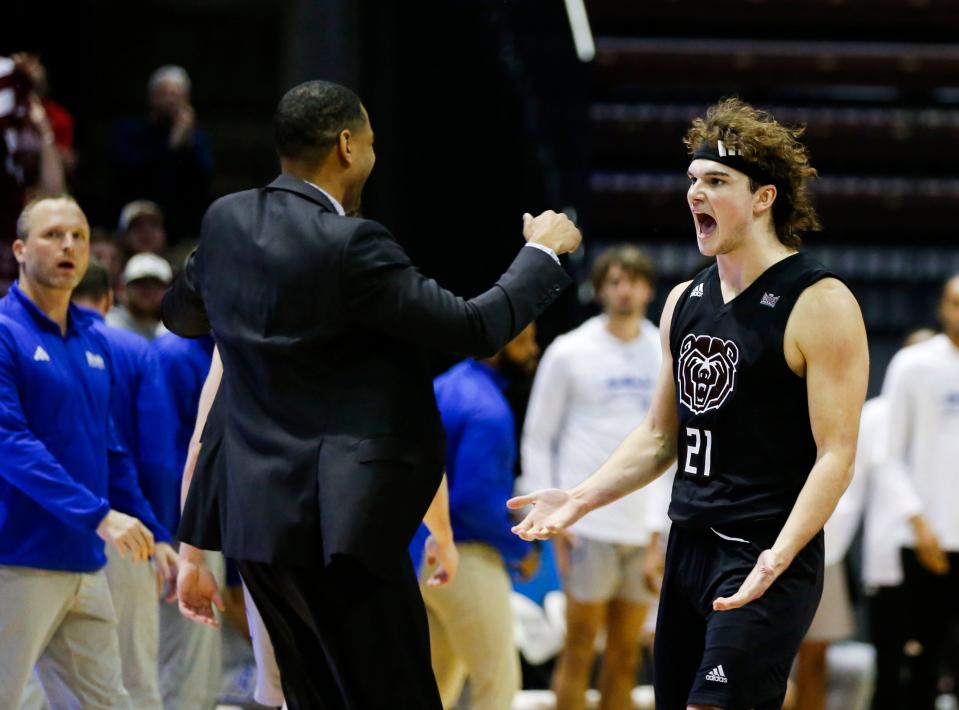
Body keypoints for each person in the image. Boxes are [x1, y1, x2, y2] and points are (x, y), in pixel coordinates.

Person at [160, 79, 579, 708]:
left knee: (314, 698)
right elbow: (475, 327)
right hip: (342, 527)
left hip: (257, 527)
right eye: (374, 143)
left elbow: (183, 316)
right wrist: (542, 253)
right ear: (348, 145)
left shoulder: (225, 222)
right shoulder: (354, 244)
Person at [510, 98, 868, 710]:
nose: (696, 194)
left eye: (717, 182)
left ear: (764, 198)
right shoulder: (683, 300)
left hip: (763, 548)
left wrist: (777, 557)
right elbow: (658, 436)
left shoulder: (820, 302)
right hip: (688, 545)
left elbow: (837, 455)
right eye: (693, 182)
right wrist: (579, 496)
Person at [0, 195, 175, 706]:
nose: (69, 246)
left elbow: (111, 450)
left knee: (109, 703)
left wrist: (154, 531)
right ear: (19, 249)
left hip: (83, 562)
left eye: (77, 235)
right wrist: (99, 515)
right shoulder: (5, 334)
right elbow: (11, 443)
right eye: (52, 235)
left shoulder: (91, 341)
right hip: (16, 558)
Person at [520, 244, 668, 710]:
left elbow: (671, 447)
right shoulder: (570, 351)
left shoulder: (664, 353)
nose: (625, 290)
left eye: (634, 280)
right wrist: (554, 521)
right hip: (587, 526)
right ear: (600, 289)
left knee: (626, 656)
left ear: (648, 289)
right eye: (615, 281)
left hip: (641, 528)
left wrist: (659, 530)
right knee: (581, 647)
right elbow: (538, 438)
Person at [71, 258, 179, 709]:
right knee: (134, 671)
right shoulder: (136, 351)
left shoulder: (25, 343)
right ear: (110, 298)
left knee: (50, 676)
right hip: (129, 531)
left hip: (51, 531)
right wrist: (163, 532)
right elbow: (157, 457)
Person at [417, 324, 542, 710]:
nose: (533, 350)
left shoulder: (442, 387)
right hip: (464, 554)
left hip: (419, 553)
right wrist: (521, 546)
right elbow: (475, 501)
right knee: (497, 685)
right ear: (493, 348)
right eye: (523, 342)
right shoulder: (487, 410)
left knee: (434, 684)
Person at [880, 276, 959, 709]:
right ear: (942, 308)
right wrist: (917, 521)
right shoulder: (913, 365)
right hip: (927, 541)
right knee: (922, 664)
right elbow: (886, 453)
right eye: (954, 303)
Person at [151, 328, 221, 710]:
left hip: (206, 517)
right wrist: (173, 531)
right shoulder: (174, 353)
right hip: (183, 521)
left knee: (199, 649)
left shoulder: (221, 346)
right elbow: (166, 448)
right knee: (182, 647)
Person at [111, 65, 213, 243]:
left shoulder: (198, 138)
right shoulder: (129, 131)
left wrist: (187, 142)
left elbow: (204, 179)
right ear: (151, 97)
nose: (170, 100)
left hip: (182, 230)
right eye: (164, 93)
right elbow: (129, 173)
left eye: (176, 95)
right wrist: (170, 147)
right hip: (136, 227)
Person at [108, 251, 172, 340]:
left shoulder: (171, 332)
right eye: (141, 284)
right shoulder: (109, 325)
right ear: (124, 289)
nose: (148, 291)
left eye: (156, 285)